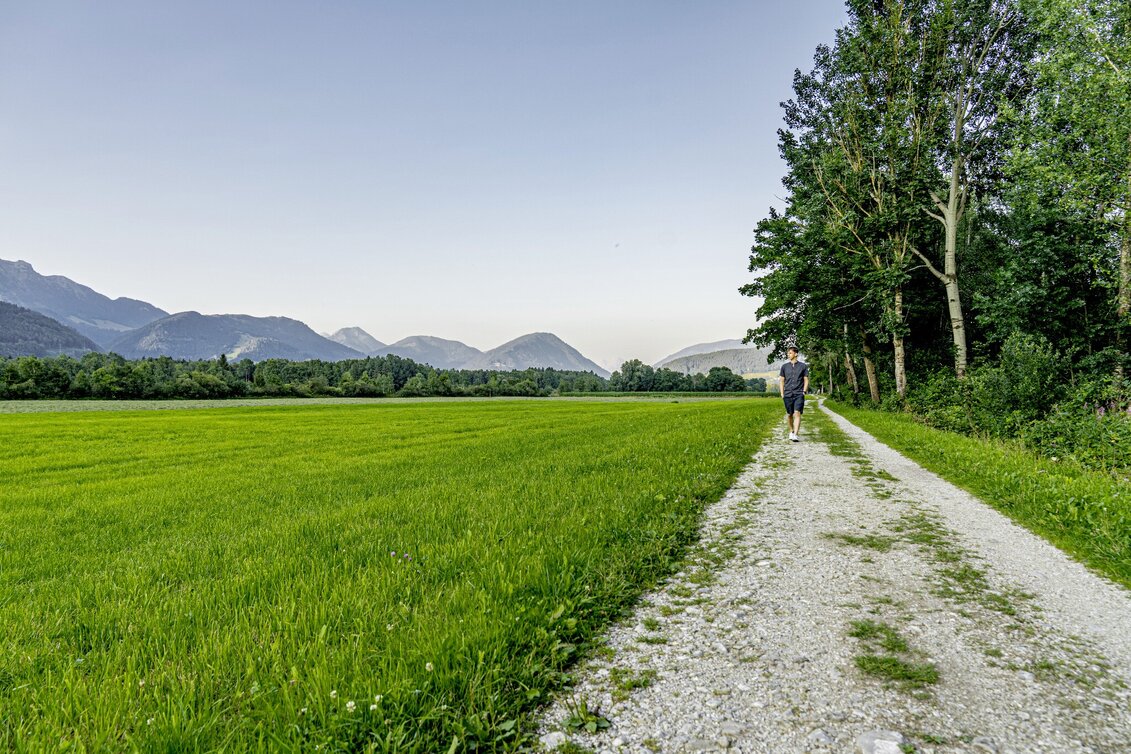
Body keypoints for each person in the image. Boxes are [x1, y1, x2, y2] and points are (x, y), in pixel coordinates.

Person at [778, 346, 809, 442]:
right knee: (790, 414)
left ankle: (795, 434)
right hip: (787, 394)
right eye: (788, 353)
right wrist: (782, 393)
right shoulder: (784, 367)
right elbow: (782, 380)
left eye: (790, 353)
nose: (788, 355)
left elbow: (806, 380)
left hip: (799, 393)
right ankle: (791, 431)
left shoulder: (803, 366)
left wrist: (804, 391)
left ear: (796, 354)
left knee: (797, 413)